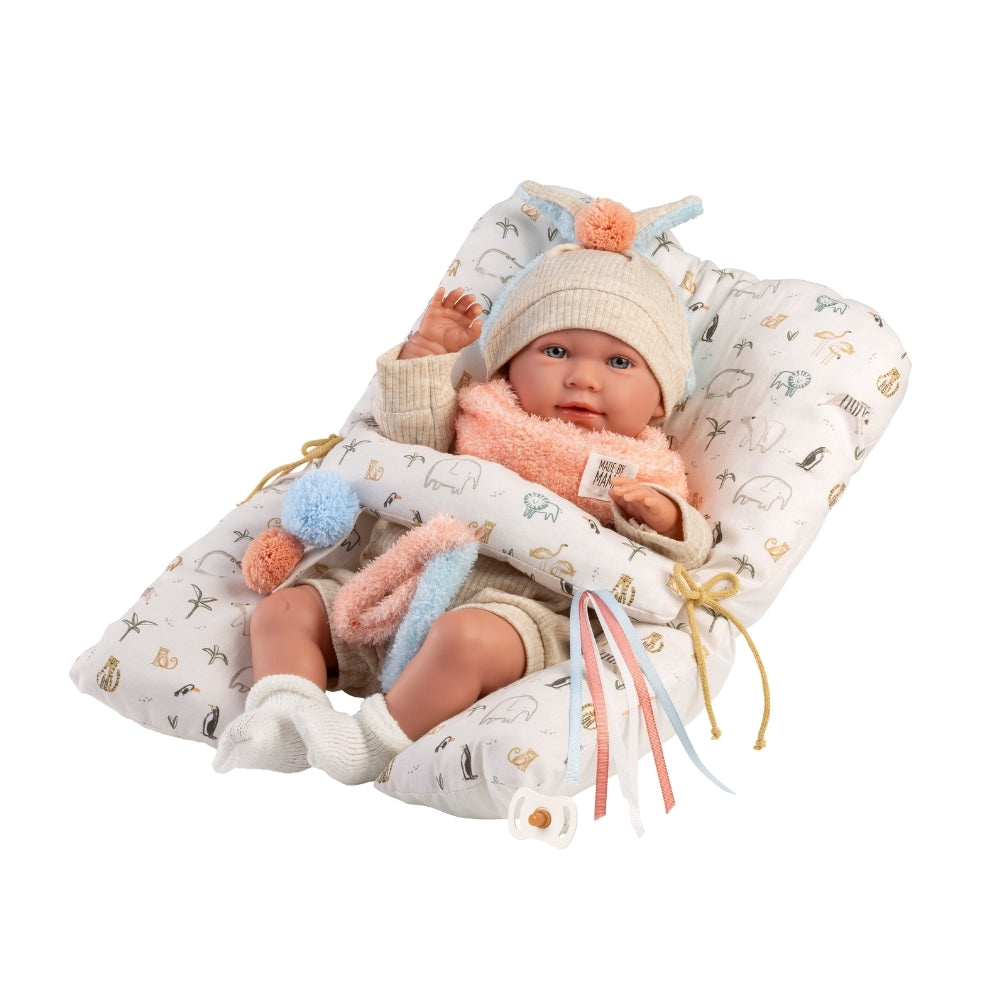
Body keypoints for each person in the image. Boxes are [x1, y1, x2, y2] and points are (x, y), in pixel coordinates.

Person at [213, 200, 713, 783]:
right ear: (508, 364)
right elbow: (410, 446)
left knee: (465, 638)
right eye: (554, 351)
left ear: (659, 401)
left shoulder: (643, 466)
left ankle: (367, 746)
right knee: (286, 609)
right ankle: (285, 718)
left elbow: (681, 560)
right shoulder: (484, 414)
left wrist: (665, 518)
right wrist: (426, 358)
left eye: (620, 361)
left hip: (513, 619)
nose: (582, 376)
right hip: (395, 592)